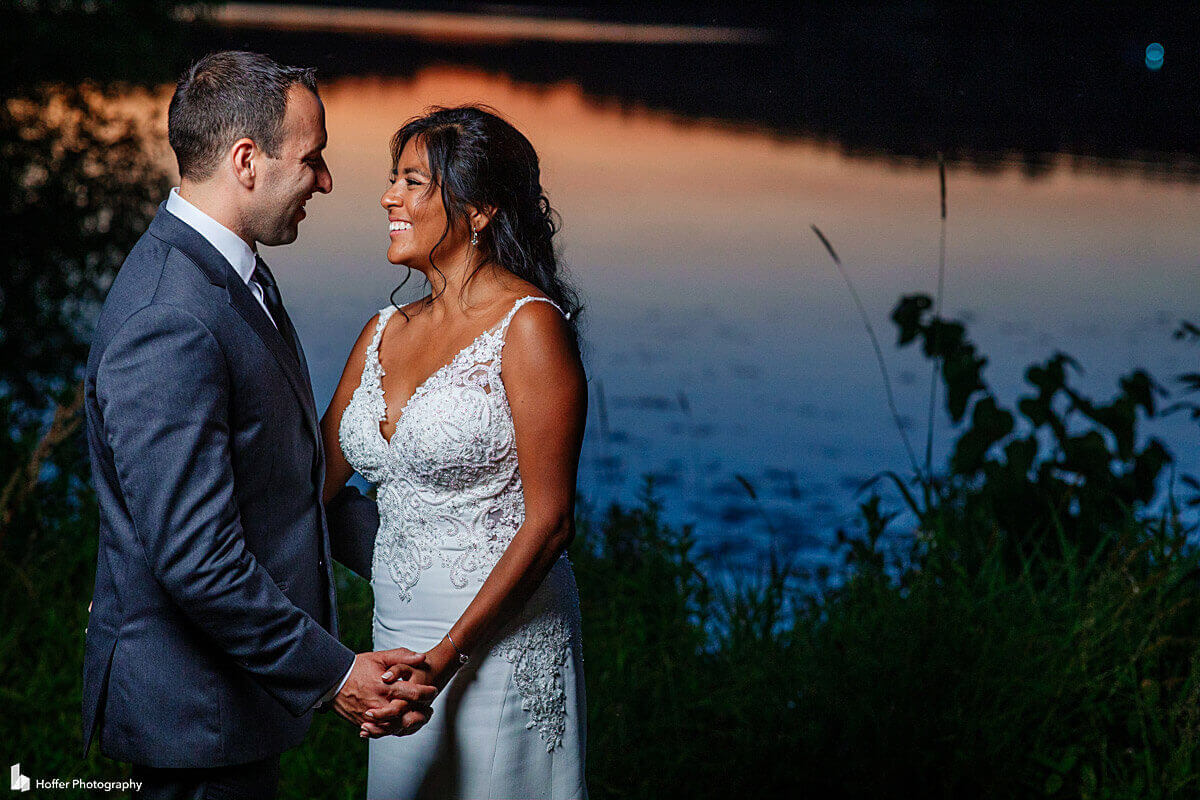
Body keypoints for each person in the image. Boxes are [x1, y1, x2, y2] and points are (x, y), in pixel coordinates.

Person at [81, 51, 435, 800]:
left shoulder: (232, 272)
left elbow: (282, 480)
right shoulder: (169, 317)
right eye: (313, 158)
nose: (329, 181)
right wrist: (337, 674)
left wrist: (438, 566)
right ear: (247, 161)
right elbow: (197, 559)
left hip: (231, 712)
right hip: (195, 723)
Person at [322, 105, 589, 799]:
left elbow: (551, 521)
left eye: (413, 182)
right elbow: (311, 484)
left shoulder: (529, 328)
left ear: (478, 210)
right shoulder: (381, 330)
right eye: (392, 179)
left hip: (496, 643)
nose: (389, 198)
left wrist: (448, 653)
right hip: (394, 644)